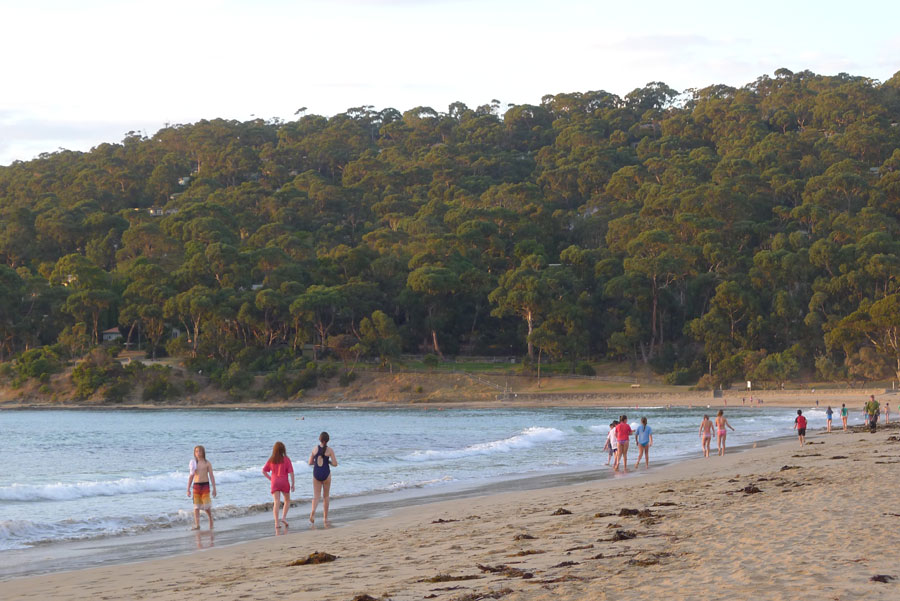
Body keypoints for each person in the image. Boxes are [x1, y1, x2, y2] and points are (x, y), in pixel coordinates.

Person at [262, 441, 295, 532]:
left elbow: (264, 471)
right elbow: (291, 472)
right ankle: (283, 517)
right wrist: (293, 484)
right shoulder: (286, 459)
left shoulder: (272, 459)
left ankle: (276, 523)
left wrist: (271, 479)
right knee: (287, 500)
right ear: (283, 450)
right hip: (284, 481)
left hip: (275, 482)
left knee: (276, 502)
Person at [308, 431, 338, 526]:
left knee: (316, 496)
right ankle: (325, 518)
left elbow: (310, 462)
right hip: (326, 473)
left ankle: (313, 511)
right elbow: (335, 464)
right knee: (326, 496)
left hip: (316, 473)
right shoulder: (330, 450)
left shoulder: (314, 449)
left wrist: (316, 462)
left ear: (319, 439)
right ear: (328, 440)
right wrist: (328, 462)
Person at [187, 445, 216, 530]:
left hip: (205, 486)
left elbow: (211, 476)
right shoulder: (194, 463)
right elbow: (191, 476)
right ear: (194, 453)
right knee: (196, 507)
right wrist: (188, 489)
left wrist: (214, 488)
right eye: (196, 451)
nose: (198, 453)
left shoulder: (207, 463)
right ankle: (197, 524)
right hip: (196, 486)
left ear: (203, 452)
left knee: (206, 506)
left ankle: (211, 519)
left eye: (200, 451)